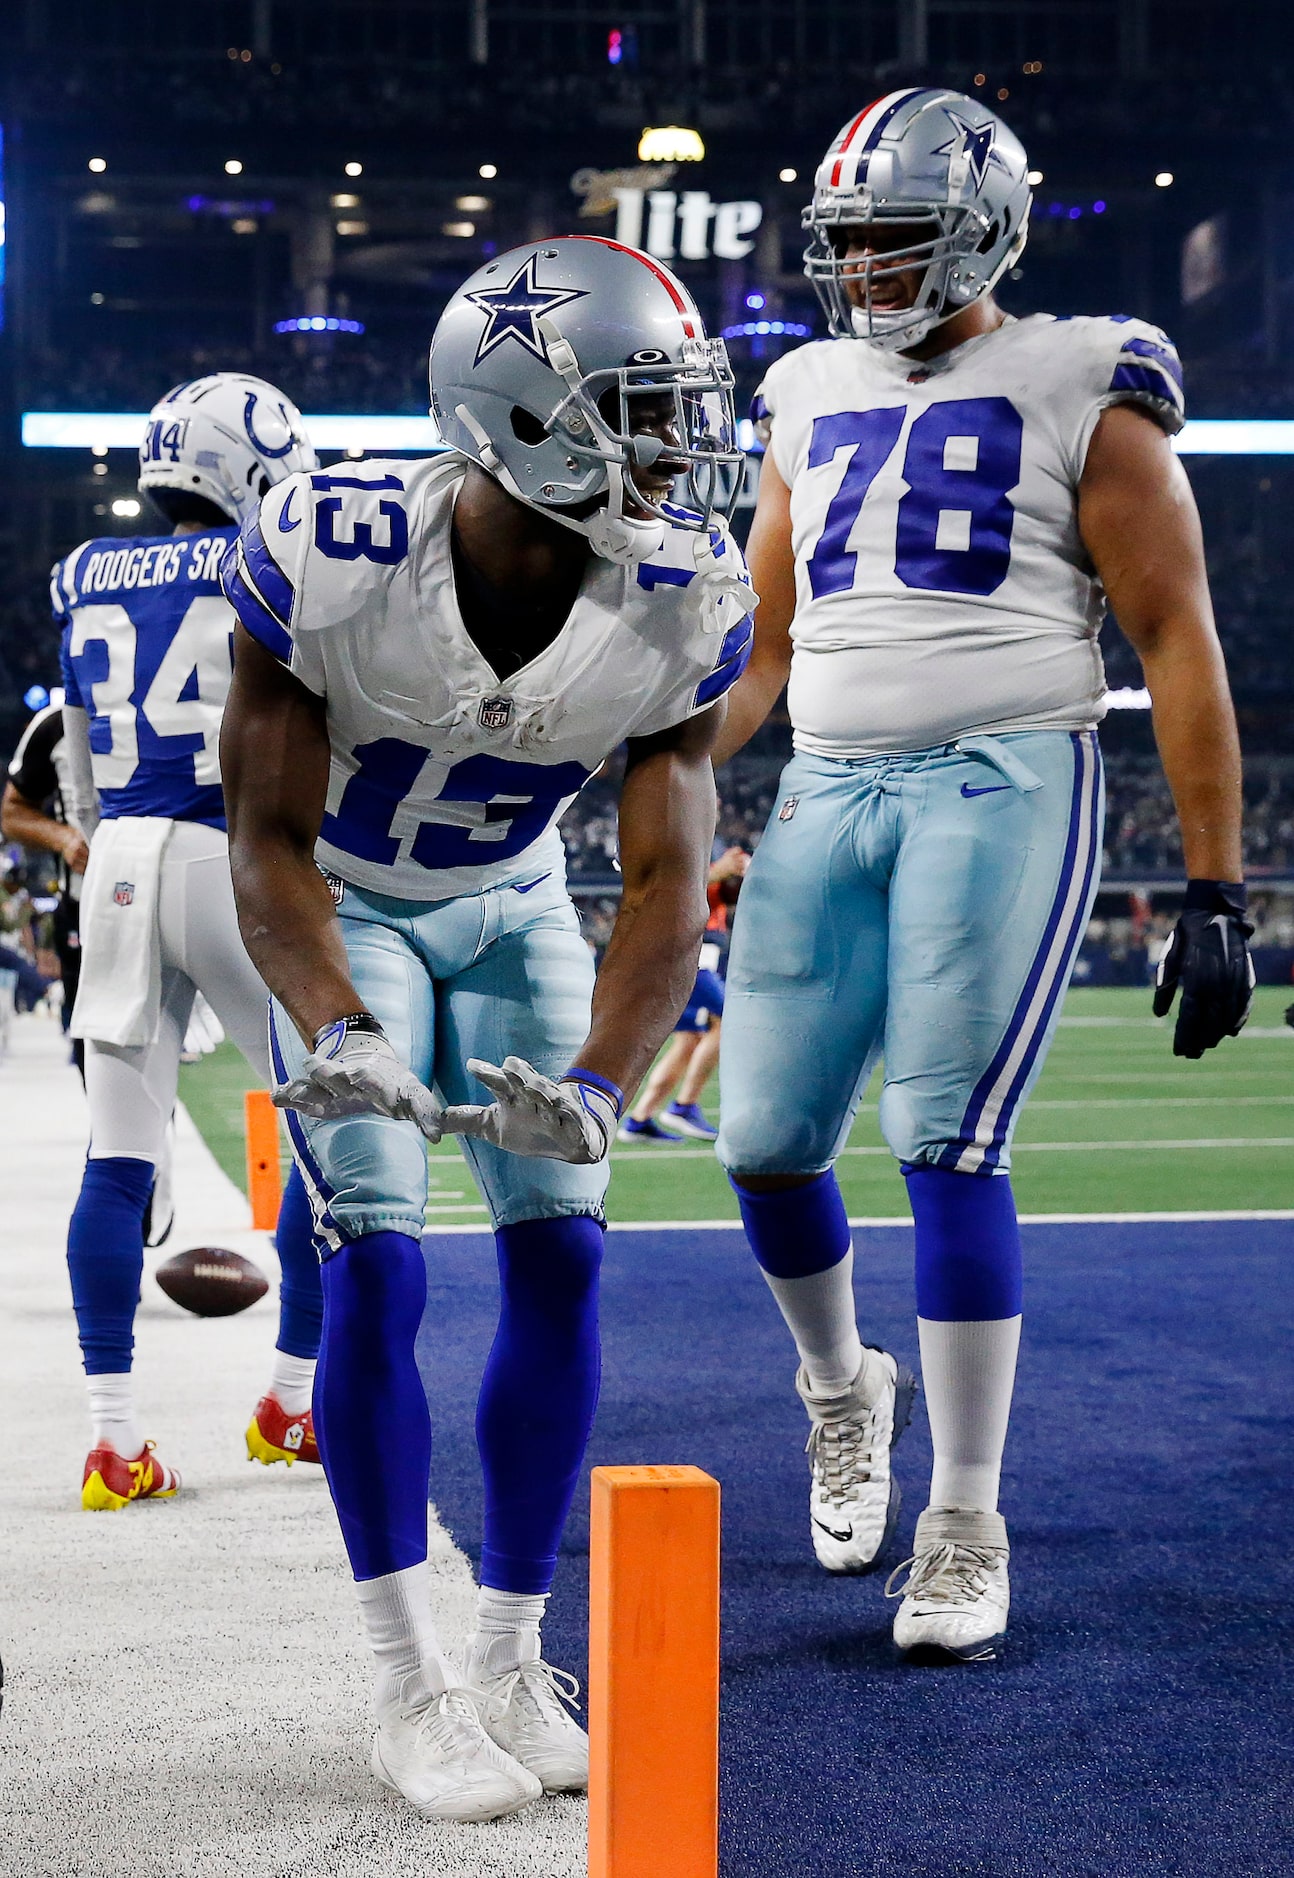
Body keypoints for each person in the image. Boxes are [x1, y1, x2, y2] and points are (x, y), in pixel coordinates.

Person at [710, 88, 1251, 1662]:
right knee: (760, 1141)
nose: (865, 270)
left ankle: (963, 1520)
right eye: (849, 242)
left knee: (940, 1138)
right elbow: (762, 642)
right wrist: (663, 753)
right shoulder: (803, 384)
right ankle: (838, 1391)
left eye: (895, 237)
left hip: (1005, 766)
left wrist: (1209, 887)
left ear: (982, 230)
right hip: (822, 778)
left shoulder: (1087, 370)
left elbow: (1174, 638)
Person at [219, 234, 751, 1823]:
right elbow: (263, 847)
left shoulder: (685, 589)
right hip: (347, 902)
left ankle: (513, 1651)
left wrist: (600, 1084)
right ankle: (406, 1681)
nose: (674, 448)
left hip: (513, 891)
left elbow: (665, 882)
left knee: (563, 1246)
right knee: (376, 1257)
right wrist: (337, 1023)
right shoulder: (333, 546)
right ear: (521, 418)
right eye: (639, 411)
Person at [55, 373, 326, 1510]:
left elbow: (74, 759)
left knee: (119, 1160)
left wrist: (104, 846)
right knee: (329, 1144)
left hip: (117, 859)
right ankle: (291, 1404)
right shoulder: (272, 558)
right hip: (237, 858)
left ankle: (114, 1444)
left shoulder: (82, 573)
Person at [619, 845, 748, 1140]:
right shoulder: (681, 832)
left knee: (689, 1040)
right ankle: (684, 1105)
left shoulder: (705, 837)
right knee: (729, 1021)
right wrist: (721, 870)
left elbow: (720, 893)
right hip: (687, 953)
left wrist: (737, 876)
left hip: (695, 953)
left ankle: (640, 1120)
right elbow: (671, 884)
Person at [3, 697, 92, 1046]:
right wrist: (65, 838)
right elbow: (12, 814)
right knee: (91, 1038)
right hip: (83, 904)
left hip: (172, 890)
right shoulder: (57, 723)